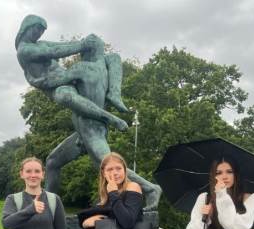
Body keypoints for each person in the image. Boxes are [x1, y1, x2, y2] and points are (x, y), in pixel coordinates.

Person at [15, 14, 162, 211]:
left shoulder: (64, 58)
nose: (39, 34)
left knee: (108, 166)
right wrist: (83, 44)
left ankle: (150, 188)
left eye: (42, 31)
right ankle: (51, 207)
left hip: (75, 96)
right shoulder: (25, 50)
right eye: (37, 29)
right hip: (61, 87)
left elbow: (60, 45)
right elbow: (56, 50)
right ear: (26, 28)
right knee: (52, 162)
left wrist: (84, 43)